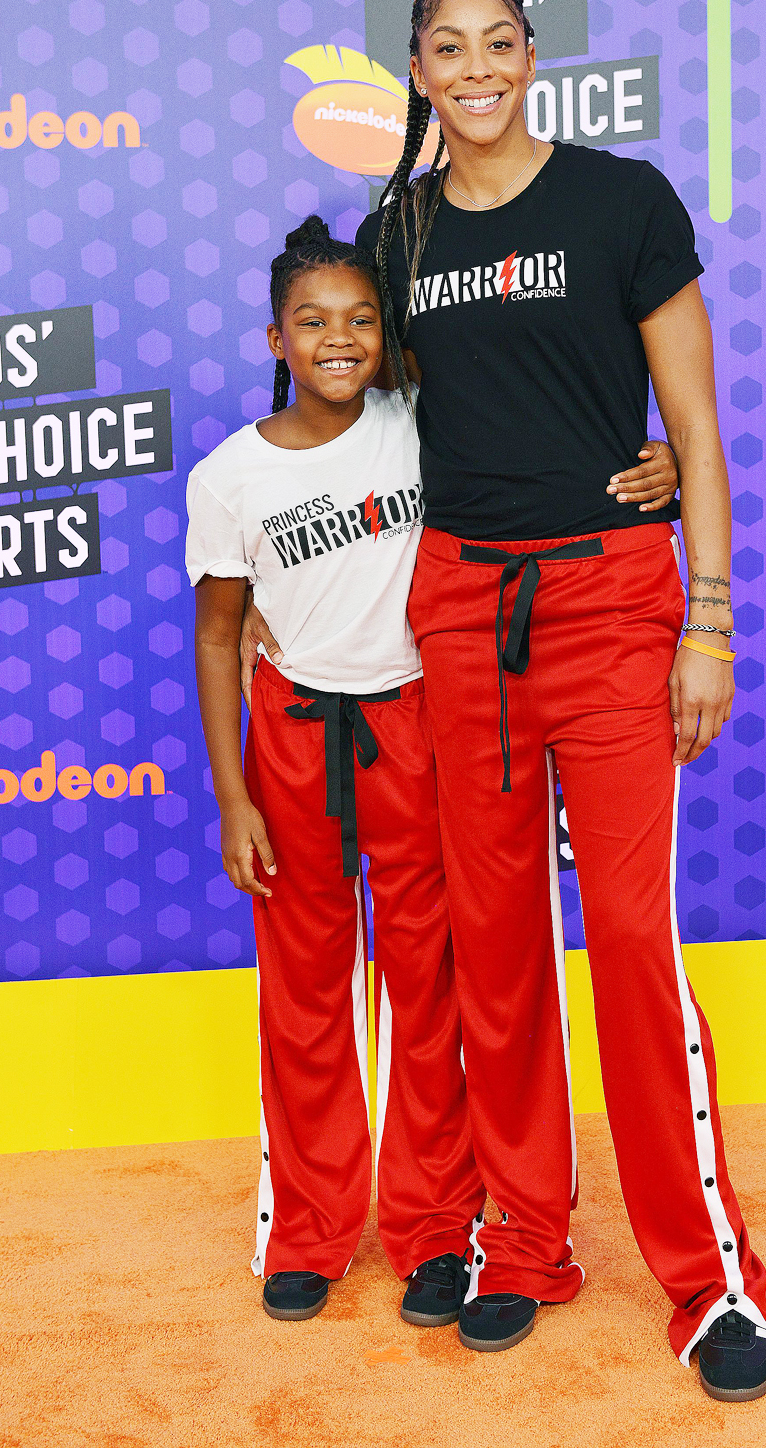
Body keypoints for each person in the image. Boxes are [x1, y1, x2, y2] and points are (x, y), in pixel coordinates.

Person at [245, 0, 766, 1401]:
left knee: (627, 947)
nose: (475, 67)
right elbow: (363, 418)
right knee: (492, 956)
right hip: (459, 616)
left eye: (498, 41)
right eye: (446, 48)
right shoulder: (397, 228)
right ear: (420, 73)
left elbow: (698, 426)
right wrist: (271, 565)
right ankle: (525, 1239)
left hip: (611, 605)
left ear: (530, 56)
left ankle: (706, 1279)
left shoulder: (622, 202)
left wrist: (708, 614)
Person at [186, 216, 485, 1330]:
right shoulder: (230, 475)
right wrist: (234, 795)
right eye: (313, 321)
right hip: (296, 740)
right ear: (276, 336)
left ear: (388, 336)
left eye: (362, 319)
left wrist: (652, 459)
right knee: (305, 993)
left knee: (427, 985)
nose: (339, 338)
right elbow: (221, 635)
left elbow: (528, 436)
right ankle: (310, 1225)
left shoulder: (415, 424)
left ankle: (432, 1228)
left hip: (415, 726)